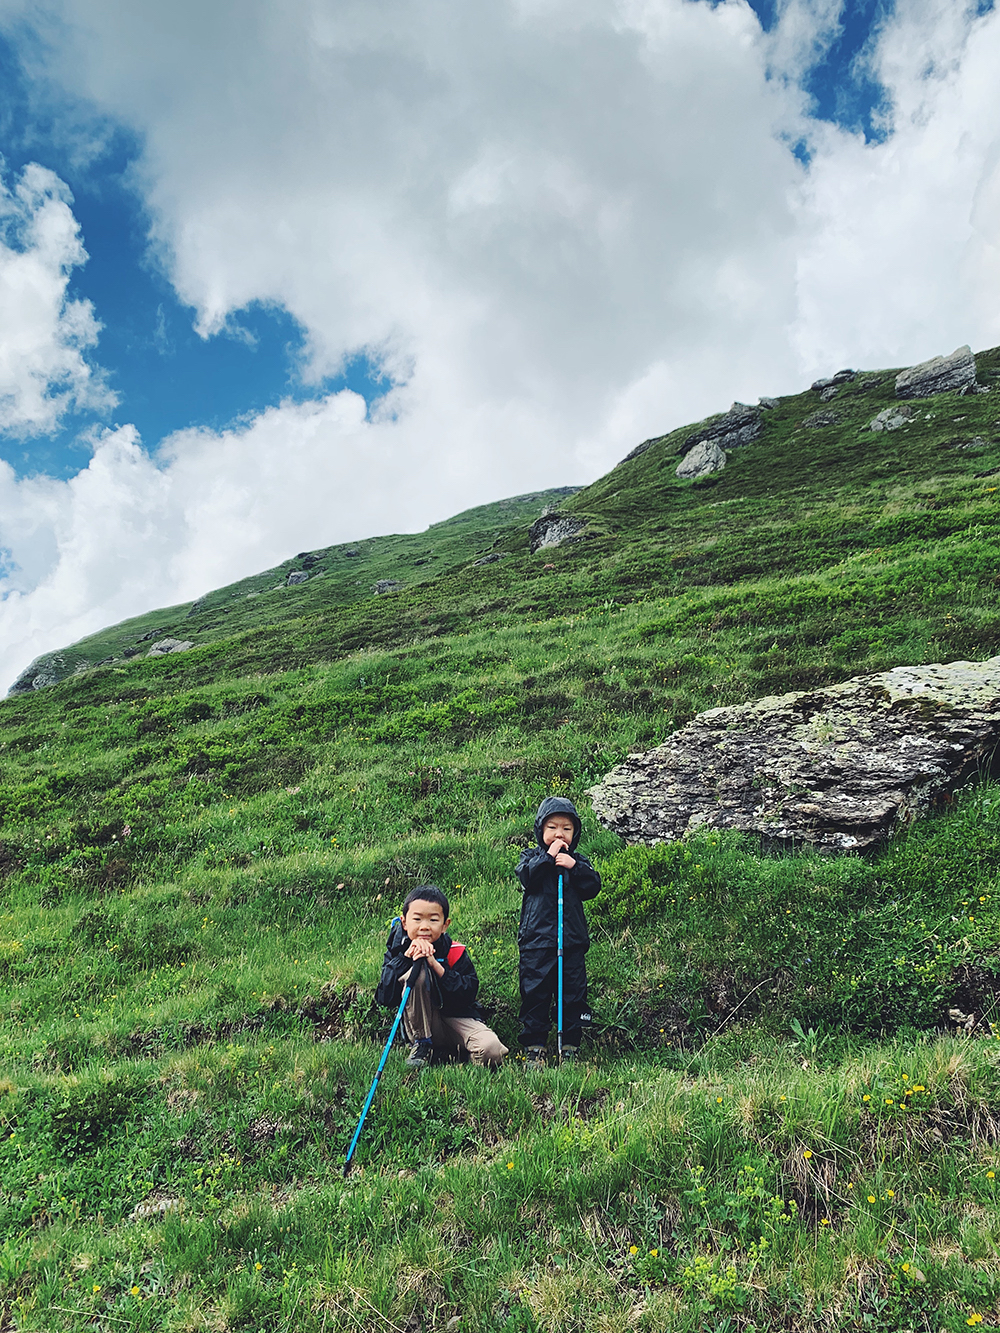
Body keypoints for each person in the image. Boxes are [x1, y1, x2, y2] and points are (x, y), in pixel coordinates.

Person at [376, 885, 508, 1069]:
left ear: (445, 925)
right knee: (417, 970)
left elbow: (469, 993)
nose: (424, 926)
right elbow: (384, 997)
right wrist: (406, 960)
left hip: (456, 1018)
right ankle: (422, 1044)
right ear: (404, 922)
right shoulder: (396, 951)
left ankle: (452, 1055)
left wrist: (437, 966)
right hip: (421, 1022)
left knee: (492, 1051)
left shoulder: (455, 951)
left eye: (433, 920)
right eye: (417, 919)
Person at [516, 795, 601, 1067]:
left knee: (572, 992)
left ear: (575, 833)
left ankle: (570, 1045)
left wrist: (574, 867)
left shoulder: (578, 861)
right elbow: (527, 877)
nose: (559, 834)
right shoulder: (531, 857)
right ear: (540, 829)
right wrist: (548, 858)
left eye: (566, 828)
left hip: (571, 941)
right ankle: (535, 1046)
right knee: (535, 992)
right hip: (537, 942)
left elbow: (593, 886)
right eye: (552, 827)